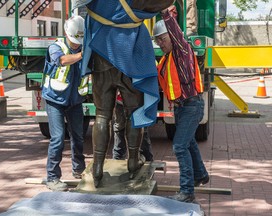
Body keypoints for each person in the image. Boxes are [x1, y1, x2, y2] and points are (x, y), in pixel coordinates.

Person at [77, 0, 174, 187]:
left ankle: (97, 166)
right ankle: (132, 161)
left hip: (102, 53)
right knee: (133, 112)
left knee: (102, 114)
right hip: (130, 55)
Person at [153, 5, 209, 203]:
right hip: (181, 106)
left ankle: (186, 191)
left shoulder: (181, 49)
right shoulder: (166, 60)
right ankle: (200, 175)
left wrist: (165, 13)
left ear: (172, 36)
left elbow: (175, 32)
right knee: (189, 142)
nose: (160, 43)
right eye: (157, 40)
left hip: (191, 105)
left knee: (179, 146)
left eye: (162, 38)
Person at [41, 16, 86, 191]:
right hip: (55, 100)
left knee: (78, 137)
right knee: (58, 138)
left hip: (74, 100)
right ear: (67, 34)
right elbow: (61, 60)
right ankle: (52, 177)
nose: (76, 44)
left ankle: (79, 169)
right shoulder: (56, 47)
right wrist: (81, 55)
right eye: (74, 41)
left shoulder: (83, 47)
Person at [112, 93, 154, 162]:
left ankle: (118, 158)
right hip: (132, 99)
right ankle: (147, 159)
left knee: (121, 129)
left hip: (128, 99)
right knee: (139, 129)